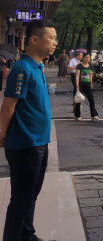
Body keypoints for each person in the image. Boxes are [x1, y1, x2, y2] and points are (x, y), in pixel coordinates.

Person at [0, 19, 57, 241]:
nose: (55, 43)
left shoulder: (38, 67)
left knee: (30, 196)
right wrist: (2, 133)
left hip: (39, 143)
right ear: (35, 39)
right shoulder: (22, 68)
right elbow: (7, 108)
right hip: (25, 144)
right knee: (22, 199)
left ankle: (27, 235)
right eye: (51, 38)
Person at [75, 53, 100, 122]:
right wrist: (77, 85)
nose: (87, 59)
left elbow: (90, 75)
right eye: (86, 57)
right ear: (83, 58)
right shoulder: (79, 66)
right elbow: (77, 76)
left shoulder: (90, 66)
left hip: (88, 86)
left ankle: (93, 115)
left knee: (91, 100)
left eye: (89, 57)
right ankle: (78, 116)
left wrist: (91, 84)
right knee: (79, 100)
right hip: (81, 85)